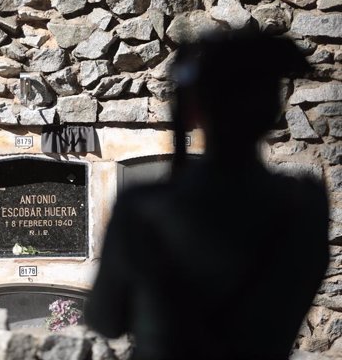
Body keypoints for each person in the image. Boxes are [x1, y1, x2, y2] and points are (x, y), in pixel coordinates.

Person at [86, 30, 330, 359]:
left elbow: (106, 320)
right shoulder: (304, 206)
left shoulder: (144, 208)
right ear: (274, 110)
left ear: (194, 111)